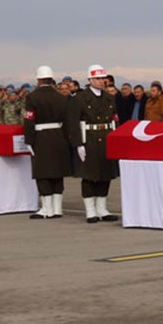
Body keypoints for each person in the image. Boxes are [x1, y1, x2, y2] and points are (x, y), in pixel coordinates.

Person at [65, 64, 120, 223]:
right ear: (90, 80)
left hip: (106, 135)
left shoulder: (109, 98)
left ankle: (102, 208)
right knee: (89, 175)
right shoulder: (80, 99)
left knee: (105, 174)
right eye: (97, 78)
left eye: (103, 78)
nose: (101, 81)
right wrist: (78, 144)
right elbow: (73, 123)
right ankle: (90, 210)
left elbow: (115, 119)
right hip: (88, 137)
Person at [23, 65, 71, 220]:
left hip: (41, 137)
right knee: (58, 172)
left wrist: (29, 140)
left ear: (38, 80)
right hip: (59, 136)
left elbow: (29, 120)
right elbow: (68, 121)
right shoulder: (62, 97)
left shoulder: (32, 98)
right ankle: (57, 209)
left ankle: (46, 209)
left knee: (42, 172)